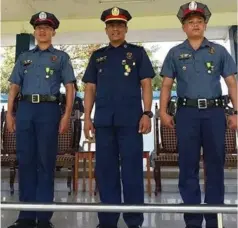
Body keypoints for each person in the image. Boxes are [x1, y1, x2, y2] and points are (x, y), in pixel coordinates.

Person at [159, 1, 237, 228]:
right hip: (187, 114)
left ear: (205, 25)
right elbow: (165, 85)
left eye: (199, 22)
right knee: (187, 165)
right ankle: (192, 221)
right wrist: (163, 112)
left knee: (215, 164)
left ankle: (214, 220)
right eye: (190, 22)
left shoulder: (219, 51)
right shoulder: (175, 53)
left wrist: (237, 112)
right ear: (183, 27)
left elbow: (232, 83)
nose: (195, 25)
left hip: (214, 113)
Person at [82, 6, 155, 228]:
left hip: (131, 122)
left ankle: (134, 221)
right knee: (105, 172)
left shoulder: (138, 53)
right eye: (112, 25)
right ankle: (107, 221)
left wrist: (146, 113)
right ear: (106, 30)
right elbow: (90, 89)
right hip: (104, 122)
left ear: (125, 29)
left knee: (132, 171)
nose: (116, 29)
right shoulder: (98, 56)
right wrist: (86, 117)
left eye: (120, 25)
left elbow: (146, 84)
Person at [6, 11, 76, 228]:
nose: (42, 31)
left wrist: (66, 115)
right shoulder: (24, 58)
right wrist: (9, 113)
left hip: (49, 109)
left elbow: (70, 87)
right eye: (38, 28)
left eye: (46, 27)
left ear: (53, 31)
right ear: (35, 32)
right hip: (25, 109)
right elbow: (14, 86)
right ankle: (26, 217)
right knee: (26, 161)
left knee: (46, 162)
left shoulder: (61, 58)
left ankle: (44, 218)